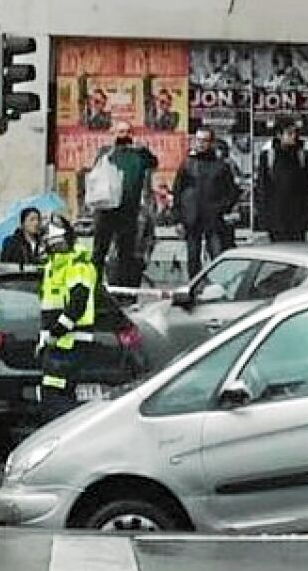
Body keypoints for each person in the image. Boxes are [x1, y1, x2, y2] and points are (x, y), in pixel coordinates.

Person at [36, 217, 97, 414]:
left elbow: (78, 303)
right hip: (58, 343)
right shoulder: (54, 267)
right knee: (54, 395)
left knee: (54, 398)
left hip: (70, 342)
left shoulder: (77, 265)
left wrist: (57, 332)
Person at [92, 123, 158, 287]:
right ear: (113, 133)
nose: (124, 135)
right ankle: (94, 284)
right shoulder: (106, 153)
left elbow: (153, 163)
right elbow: (96, 173)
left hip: (129, 210)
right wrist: (112, 149)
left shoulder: (139, 154)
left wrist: (144, 150)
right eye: (121, 132)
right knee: (100, 250)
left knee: (126, 252)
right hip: (106, 209)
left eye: (128, 132)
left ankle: (123, 289)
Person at [173, 128, 240, 277]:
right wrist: (178, 218)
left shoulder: (220, 166)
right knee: (193, 258)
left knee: (216, 255)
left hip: (213, 218)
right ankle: (194, 288)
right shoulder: (187, 164)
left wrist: (222, 208)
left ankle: (218, 286)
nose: (200, 144)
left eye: (204, 141)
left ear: (211, 143)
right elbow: (177, 191)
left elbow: (233, 192)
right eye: (198, 140)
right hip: (192, 217)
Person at [256, 120, 308, 243]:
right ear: (279, 135)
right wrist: (264, 217)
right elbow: (262, 188)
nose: (293, 136)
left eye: (295, 133)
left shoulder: (301, 156)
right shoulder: (269, 156)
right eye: (289, 133)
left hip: (297, 219)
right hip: (276, 218)